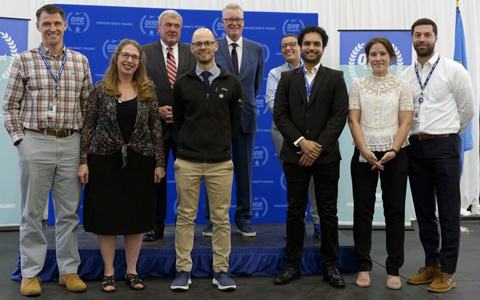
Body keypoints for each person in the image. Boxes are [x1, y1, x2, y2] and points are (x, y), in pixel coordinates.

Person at [2, 4, 92, 296]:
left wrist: (84, 149)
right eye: (46, 24)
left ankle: (69, 271)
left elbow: (88, 107)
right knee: (33, 214)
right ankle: (31, 273)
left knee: (68, 213)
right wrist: (20, 141)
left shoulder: (80, 61)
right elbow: (9, 105)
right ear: (38, 26)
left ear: (66, 26)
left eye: (57, 23)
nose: (52, 28)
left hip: (71, 142)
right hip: (35, 141)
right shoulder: (23, 60)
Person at [78, 39, 165, 293]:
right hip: (104, 160)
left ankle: (132, 270)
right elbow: (87, 127)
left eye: (135, 57)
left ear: (140, 62)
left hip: (140, 161)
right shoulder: (100, 89)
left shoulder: (148, 90)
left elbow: (155, 130)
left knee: (135, 218)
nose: (130, 61)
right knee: (107, 218)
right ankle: (108, 272)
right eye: (125, 56)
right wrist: (83, 161)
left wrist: (160, 163)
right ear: (116, 58)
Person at [400, 18, 474, 293]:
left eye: (427, 35)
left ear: (436, 37)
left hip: (444, 146)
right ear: (412, 38)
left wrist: (448, 134)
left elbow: (467, 110)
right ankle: (432, 264)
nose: (422, 39)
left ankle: (448, 270)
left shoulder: (454, 70)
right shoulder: (406, 75)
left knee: (448, 212)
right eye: (417, 35)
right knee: (423, 211)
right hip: (415, 147)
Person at [272, 25, 348, 287]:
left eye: (316, 44)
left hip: (326, 157)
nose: (311, 48)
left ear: (323, 48)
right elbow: (280, 116)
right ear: (301, 47)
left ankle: (331, 266)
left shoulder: (336, 78)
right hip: (295, 155)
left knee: (328, 213)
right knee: (295, 212)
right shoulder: (287, 79)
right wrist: (302, 143)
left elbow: (339, 117)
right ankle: (292, 264)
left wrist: (316, 148)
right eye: (307, 44)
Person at [170, 27, 243, 291]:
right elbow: (179, 120)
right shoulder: (182, 82)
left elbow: (233, 121)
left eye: (208, 43)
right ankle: (183, 270)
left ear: (215, 47)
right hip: (187, 161)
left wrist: (219, 142)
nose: (203, 48)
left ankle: (221, 271)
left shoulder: (231, 82)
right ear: (191, 49)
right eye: (198, 44)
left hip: (220, 162)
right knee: (185, 217)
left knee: (221, 219)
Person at [348, 37, 413, 290]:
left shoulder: (402, 85)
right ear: (367, 58)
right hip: (364, 154)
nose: (378, 58)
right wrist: (364, 149)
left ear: (391, 57)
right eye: (373, 54)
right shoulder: (357, 84)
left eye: (383, 54)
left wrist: (394, 150)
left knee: (394, 212)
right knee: (362, 212)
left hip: (395, 154)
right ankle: (363, 266)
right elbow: (353, 120)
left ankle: (394, 269)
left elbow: (405, 122)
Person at [203, 2, 265, 237]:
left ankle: (243, 218)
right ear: (222, 23)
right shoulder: (213, 47)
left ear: (243, 22)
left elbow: (255, 85)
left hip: (246, 117)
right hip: (216, 120)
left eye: (238, 20)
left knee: (245, 170)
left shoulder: (256, 49)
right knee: (214, 170)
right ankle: (213, 220)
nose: (234, 23)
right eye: (230, 20)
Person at [142, 10, 196, 242]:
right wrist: (157, 110)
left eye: (176, 26)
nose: (172, 29)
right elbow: (138, 88)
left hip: (185, 129)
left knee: (188, 182)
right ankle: (156, 226)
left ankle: (185, 227)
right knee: (156, 180)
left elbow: (199, 89)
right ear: (158, 28)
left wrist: (180, 113)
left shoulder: (192, 52)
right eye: (168, 25)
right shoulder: (144, 53)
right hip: (155, 129)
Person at [266, 33, 321, 239]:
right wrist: (297, 133)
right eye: (283, 46)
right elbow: (273, 104)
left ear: (301, 47)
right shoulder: (275, 73)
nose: (287, 48)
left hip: (313, 135)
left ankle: (318, 222)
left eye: (292, 45)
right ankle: (297, 225)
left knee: (315, 180)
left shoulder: (315, 72)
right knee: (294, 180)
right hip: (284, 135)